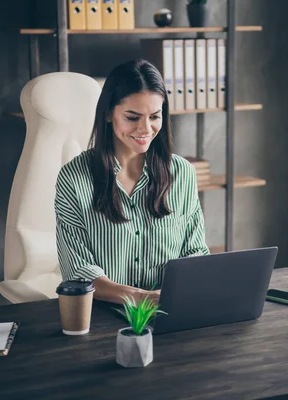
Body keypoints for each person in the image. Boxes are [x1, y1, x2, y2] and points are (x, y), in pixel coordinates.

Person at [54, 59, 210, 305]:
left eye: (154, 116)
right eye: (132, 117)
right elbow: (78, 270)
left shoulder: (182, 173)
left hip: (170, 310)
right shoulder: (74, 179)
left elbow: (195, 253)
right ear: (108, 113)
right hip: (104, 316)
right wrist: (141, 298)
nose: (145, 128)